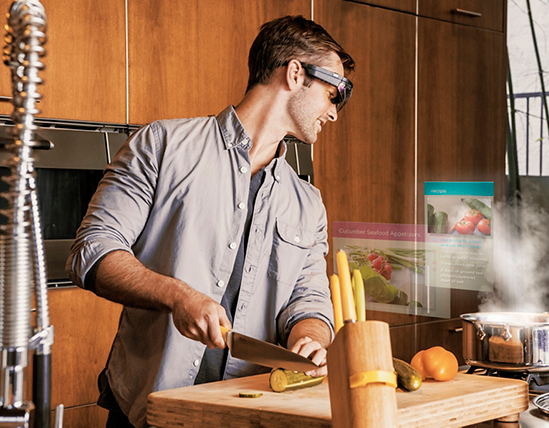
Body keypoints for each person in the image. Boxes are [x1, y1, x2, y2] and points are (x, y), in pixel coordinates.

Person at [65, 15, 355, 428]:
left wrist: (309, 338)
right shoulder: (163, 145)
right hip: (149, 409)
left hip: (247, 412)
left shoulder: (307, 203)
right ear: (295, 73)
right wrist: (177, 295)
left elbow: (309, 300)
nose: (335, 112)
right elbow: (92, 251)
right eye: (335, 93)